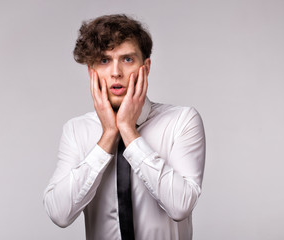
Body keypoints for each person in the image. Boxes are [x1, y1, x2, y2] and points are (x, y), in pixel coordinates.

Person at [43, 14, 205, 240]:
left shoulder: (182, 120)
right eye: (104, 60)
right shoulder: (76, 130)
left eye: (127, 59)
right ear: (92, 72)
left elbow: (180, 206)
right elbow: (59, 214)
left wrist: (129, 131)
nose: (116, 72)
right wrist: (108, 136)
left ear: (145, 67)